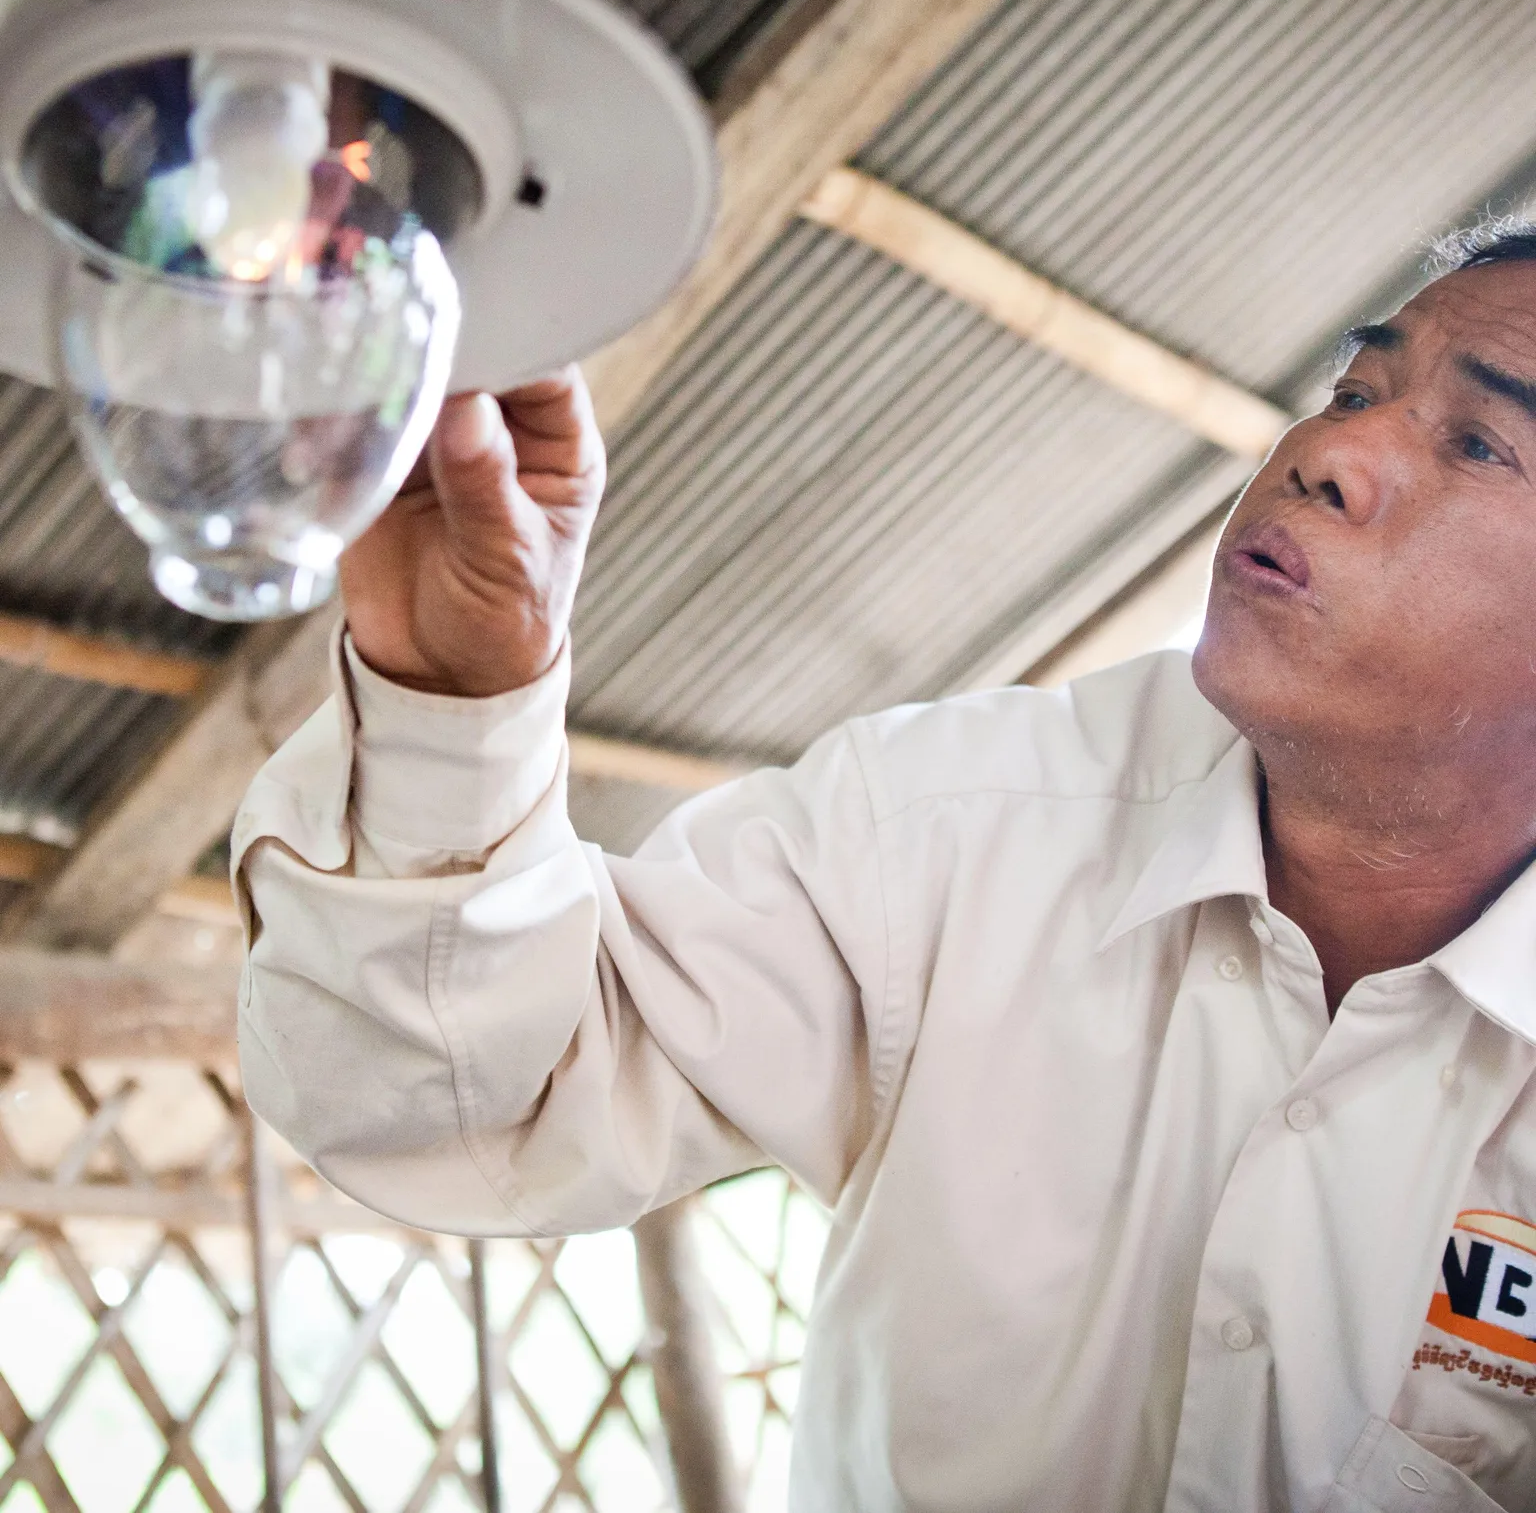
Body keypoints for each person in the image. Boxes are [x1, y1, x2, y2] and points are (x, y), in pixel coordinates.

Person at [236, 225, 1536, 1513]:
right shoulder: (962, 820)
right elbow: (460, 1099)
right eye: (1355, 390)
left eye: (1477, 442)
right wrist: (453, 696)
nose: (1325, 453)